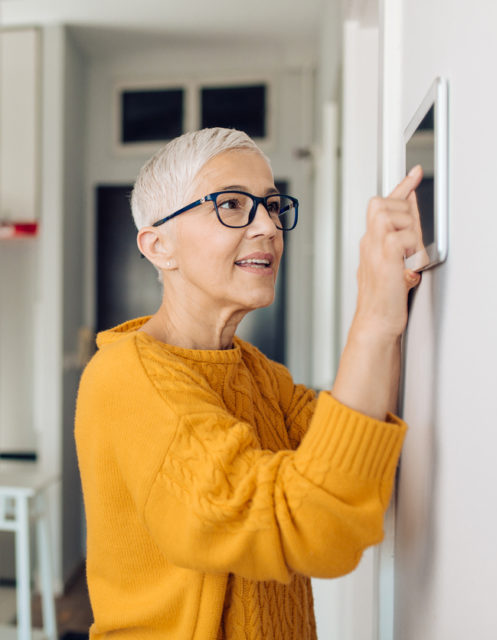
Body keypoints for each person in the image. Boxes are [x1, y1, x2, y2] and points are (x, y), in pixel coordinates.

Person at [74, 127, 423, 639]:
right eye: (232, 205)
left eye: (272, 205)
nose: (268, 226)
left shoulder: (255, 371)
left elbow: (354, 462)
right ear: (158, 246)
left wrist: (389, 306)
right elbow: (313, 527)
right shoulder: (128, 378)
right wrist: (372, 313)